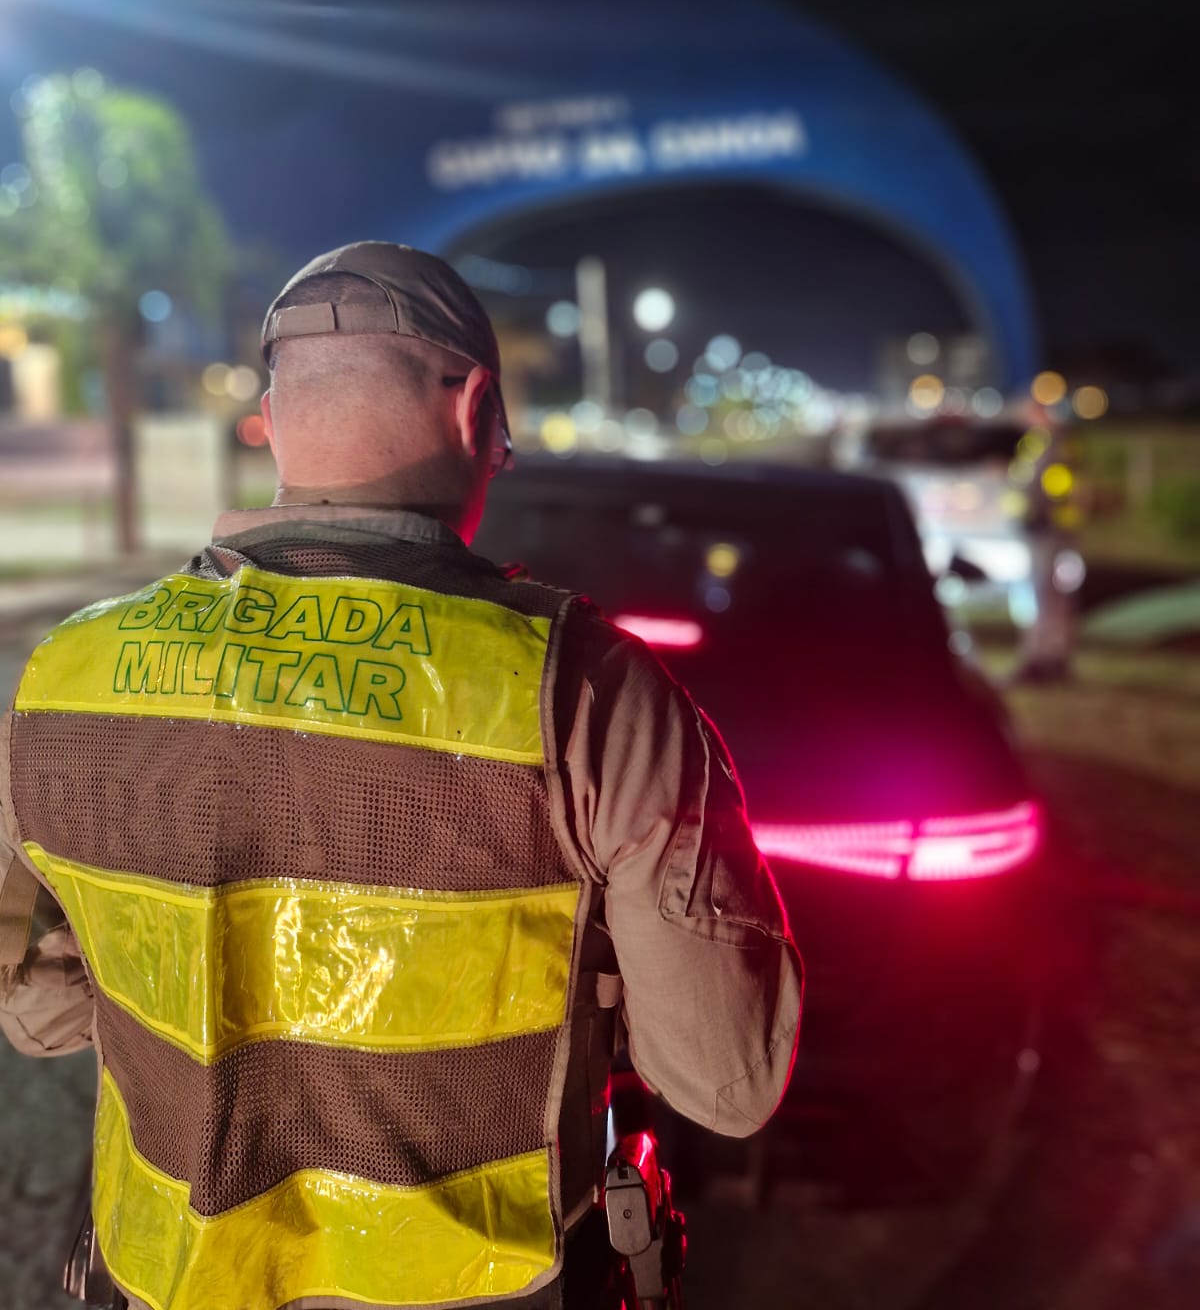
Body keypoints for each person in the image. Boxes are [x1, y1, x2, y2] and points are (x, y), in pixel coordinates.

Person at [0, 241, 803, 1310]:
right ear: (477, 407)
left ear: (276, 417)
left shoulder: (70, 674)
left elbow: (38, 1016)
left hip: (156, 1282)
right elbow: (726, 1080)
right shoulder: (583, 691)